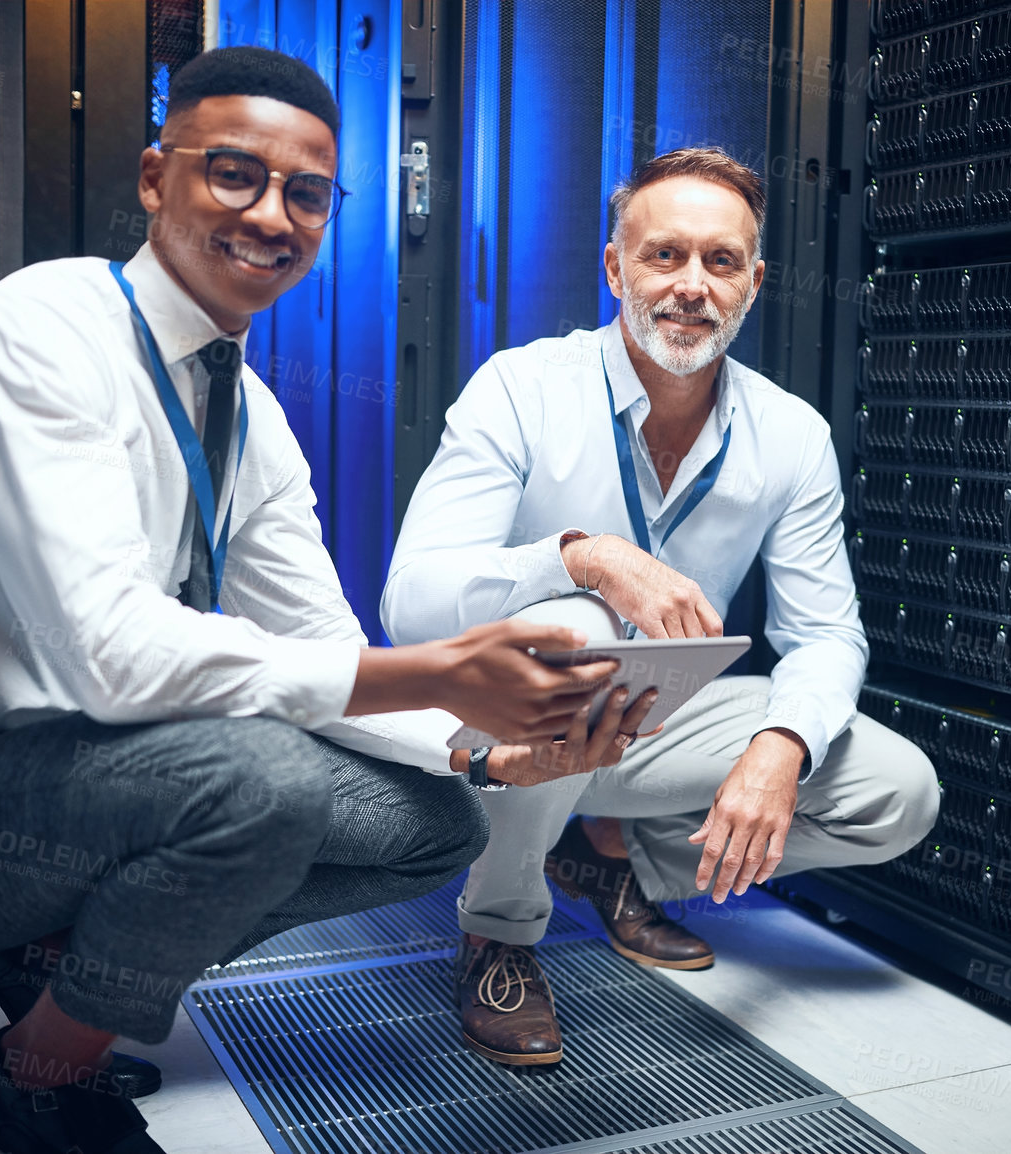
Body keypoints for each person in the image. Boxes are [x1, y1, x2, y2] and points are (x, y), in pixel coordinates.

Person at [0, 47, 648, 1154]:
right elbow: (103, 653)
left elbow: (320, 651)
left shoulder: (251, 419)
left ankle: (60, 977)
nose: (271, 215)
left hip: (87, 782)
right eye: (232, 174)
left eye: (304, 193)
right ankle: (43, 1072)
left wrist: (489, 756)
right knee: (264, 778)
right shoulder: (36, 332)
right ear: (156, 178)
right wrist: (440, 669)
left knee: (431, 822)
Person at [382, 146, 941, 1067]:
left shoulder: (793, 437)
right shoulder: (521, 389)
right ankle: (501, 929)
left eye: (721, 262)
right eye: (663, 255)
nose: (692, 286)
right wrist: (585, 557)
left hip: (654, 726)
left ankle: (611, 859)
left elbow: (827, 634)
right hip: (496, 730)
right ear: (614, 268)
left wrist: (782, 746)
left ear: (753, 284)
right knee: (582, 627)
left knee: (896, 792)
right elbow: (411, 602)